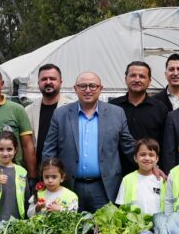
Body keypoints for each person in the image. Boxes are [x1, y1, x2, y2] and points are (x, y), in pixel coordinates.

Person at [41, 72, 136, 213]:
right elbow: (49, 149)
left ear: (100, 88)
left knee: (103, 226)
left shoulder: (116, 113)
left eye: (92, 86)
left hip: (104, 187)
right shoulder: (60, 114)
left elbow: (129, 146)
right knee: (71, 225)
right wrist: (47, 177)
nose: (87, 90)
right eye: (83, 86)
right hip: (69, 186)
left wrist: (152, 166)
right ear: (75, 88)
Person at [110, 61, 169, 170]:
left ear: (149, 81)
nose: (137, 80)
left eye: (142, 76)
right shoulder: (112, 107)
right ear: (125, 79)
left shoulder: (160, 108)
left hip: (150, 171)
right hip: (117, 170)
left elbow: (166, 144)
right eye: (133, 75)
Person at [0, 131, 31, 226]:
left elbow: (27, 198)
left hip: (18, 221)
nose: (5, 153)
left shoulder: (22, 171)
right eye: (1, 149)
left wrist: (27, 219)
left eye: (9, 149)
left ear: (15, 150)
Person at [25, 64, 66, 163]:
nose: (48, 82)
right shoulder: (28, 110)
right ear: (38, 83)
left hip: (63, 168)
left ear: (60, 82)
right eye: (44, 79)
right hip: (37, 168)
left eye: (52, 79)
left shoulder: (72, 108)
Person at [115, 138, 165, 215]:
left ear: (157, 159)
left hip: (158, 222)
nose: (147, 158)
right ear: (135, 158)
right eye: (143, 154)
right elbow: (122, 207)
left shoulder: (162, 181)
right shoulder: (127, 180)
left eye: (151, 155)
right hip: (134, 222)